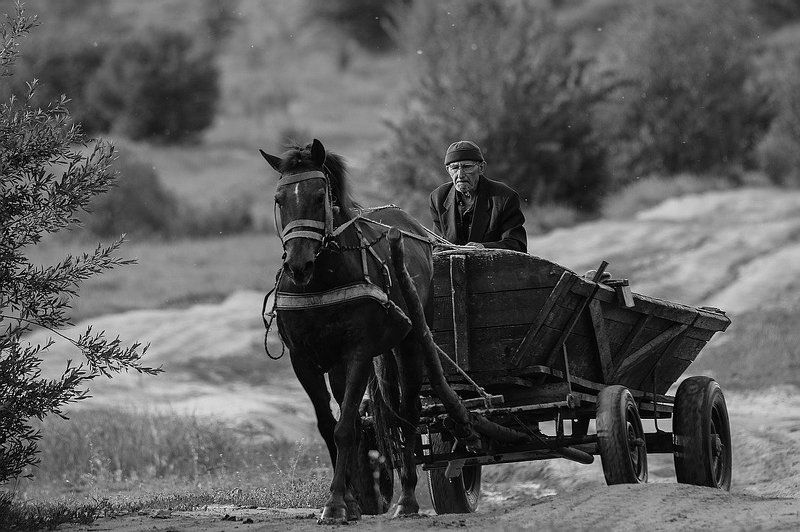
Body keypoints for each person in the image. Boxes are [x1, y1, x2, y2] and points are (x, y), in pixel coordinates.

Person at [429, 140, 527, 252]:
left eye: (467, 167)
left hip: (493, 268)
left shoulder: (504, 198)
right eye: (454, 168)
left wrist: (484, 249)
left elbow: (517, 245)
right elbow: (438, 246)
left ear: (481, 168)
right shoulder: (438, 198)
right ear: (448, 170)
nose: (460, 175)